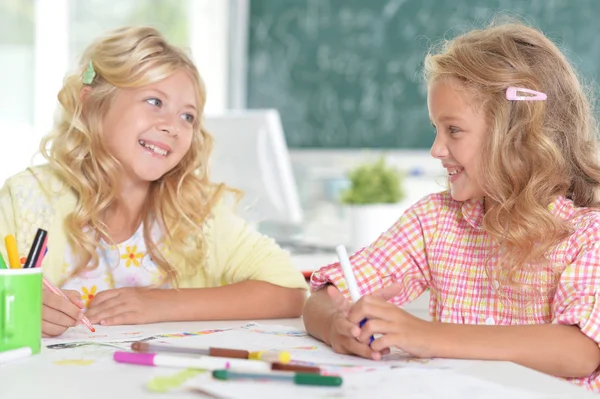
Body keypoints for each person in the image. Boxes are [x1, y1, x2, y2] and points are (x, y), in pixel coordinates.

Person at [303, 20, 600, 392]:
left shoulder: (587, 235)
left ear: (518, 137)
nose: (436, 149)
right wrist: (337, 324)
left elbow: (581, 350)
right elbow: (324, 293)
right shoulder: (436, 221)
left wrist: (425, 335)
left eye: (453, 130)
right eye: (436, 129)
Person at [0, 26, 307, 337]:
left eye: (187, 117)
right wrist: (13, 305)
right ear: (93, 103)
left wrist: (163, 304)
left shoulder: (196, 212)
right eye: (155, 102)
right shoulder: (27, 199)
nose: (173, 127)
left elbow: (290, 291)